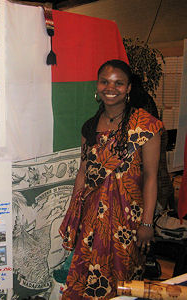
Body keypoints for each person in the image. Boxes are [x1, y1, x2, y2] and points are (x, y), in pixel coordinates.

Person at [59, 59, 164, 299]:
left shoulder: (145, 126)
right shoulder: (90, 127)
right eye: (104, 82)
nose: (110, 88)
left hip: (128, 221)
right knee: (86, 276)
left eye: (119, 83)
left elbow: (150, 177)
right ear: (97, 86)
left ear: (128, 88)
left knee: (123, 281)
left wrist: (147, 223)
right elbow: (83, 172)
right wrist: (74, 213)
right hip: (92, 217)